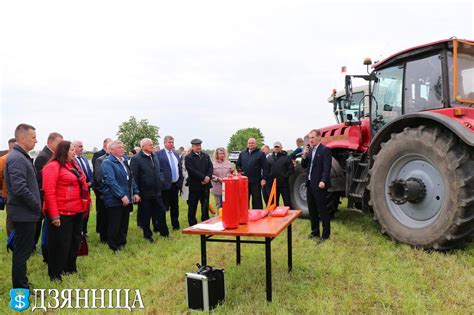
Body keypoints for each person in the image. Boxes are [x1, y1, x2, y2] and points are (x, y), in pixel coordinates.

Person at [42, 141, 90, 281]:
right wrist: (55, 216)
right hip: (62, 212)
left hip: (77, 210)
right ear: (63, 151)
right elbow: (49, 193)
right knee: (60, 244)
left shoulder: (72, 165)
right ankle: (55, 274)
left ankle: (70, 268)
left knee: (74, 241)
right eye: (71, 150)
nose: (74, 152)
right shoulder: (52, 167)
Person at [5, 124, 41, 289]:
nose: (36, 140)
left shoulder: (21, 156)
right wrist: (36, 205)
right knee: (21, 253)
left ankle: (22, 283)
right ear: (22, 138)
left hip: (26, 213)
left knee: (23, 252)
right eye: (33, 137)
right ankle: (20, 288)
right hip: (23, 214)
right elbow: (19, 188)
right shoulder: (17, 158)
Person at [101, 140, 140, 252]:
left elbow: (131, 179)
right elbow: (111, 181)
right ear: (112, 150)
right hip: (115, 199)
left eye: (123, 147)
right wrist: (121, 195)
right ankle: (113, 246)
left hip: (127, 198)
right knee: (115, 224)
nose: (122, 149)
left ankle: (122, 243)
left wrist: (136, 192)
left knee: (124, 223)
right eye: (119, 147)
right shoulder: (108, 162)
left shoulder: (124, 161)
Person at [130, 138, 168, 242]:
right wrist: (136, 192)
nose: (152, 146)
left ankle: (164, 233)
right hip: (144, 192)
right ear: (143, 147)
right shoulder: (136, 159)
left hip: (157, 191)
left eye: (152, 144)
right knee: (146, 215)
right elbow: (134, 177)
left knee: (161, 212)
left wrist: (161, 179)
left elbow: (159, 170)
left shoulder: (154, 156)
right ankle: (148, 236)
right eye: (150, 144)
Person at [34, 132, 63, 261]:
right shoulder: (43, 157)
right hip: (44, 196)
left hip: (50, 196)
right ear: (50, 142)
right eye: (58, 142)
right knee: (44, 224)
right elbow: (43, 181)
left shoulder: (51, 155)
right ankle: (41, 247)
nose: (60, 145)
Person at [301, 129, 332, 242]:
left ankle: (325, 235)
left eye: (313, 137)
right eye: (310, 138)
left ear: (319, 137)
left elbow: (327, 168)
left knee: (322, 210)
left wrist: (323, 180)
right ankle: (315, 232)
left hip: (319, 185)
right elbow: (304, 166)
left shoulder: (325, 150)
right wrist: (304, 155)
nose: (311, 140)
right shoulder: (309, 151)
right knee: (312, 210)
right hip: (309, 184)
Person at [157, 135, 183, 230]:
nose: (171, 144)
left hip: (175, 185)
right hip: (164, 186)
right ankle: (162, 226)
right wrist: (162, 181)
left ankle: (175, 225)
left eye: (172, 142)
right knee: (163, 207)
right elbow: (158, 170)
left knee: (175, 206)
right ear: (164, 143)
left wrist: (180, 181)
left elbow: (179, 168)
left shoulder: (175, 154)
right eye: (169, 142)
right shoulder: (159, 154)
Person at [185, 139, 213, 226]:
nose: (198, 147)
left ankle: (205, 221)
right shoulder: (188, 157)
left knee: (205, 204)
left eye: (199, 145)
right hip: (195, 185)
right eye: (196, 145)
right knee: (193, 205)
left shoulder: (206, 155)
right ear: (192, 147)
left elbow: (210, 167)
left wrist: (208, 177)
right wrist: (203, 178)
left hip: (206, 185)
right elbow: (191, 170)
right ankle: (192, 223)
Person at [236, 138, 269, 209]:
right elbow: (238, 164)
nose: (250, 144)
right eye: (249, 143)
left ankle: (258, 215)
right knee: (244, 199)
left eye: (252, 143)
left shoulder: (261, 154)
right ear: (247, 144)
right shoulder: (242, 154)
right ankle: (244, 214)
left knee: (256, 199)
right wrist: (240, 171)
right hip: (244, 181)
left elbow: (265, 167)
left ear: (256, 144)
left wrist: (264, 179)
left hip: (256, 181)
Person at [93, 140, 112, 242]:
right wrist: (104, 191)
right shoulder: (100, 160)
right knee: (103, 214)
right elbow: (99, 177)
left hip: (114, 193)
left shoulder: (119, 159)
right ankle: (103, 237)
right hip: (104, 192)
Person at [73, 140, 93, 235]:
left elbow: (89, 172)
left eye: (82, 146)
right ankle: (79, 231)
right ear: (74, 147)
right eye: (80, 146)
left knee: (87, 209)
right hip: (78, 190)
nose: (82, 148)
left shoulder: (84, 159)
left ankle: (84, 231)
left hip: (87, 189)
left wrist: (91, 181)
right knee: (80, 211)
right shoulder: (72, 160)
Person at [267, 142, 294, 208]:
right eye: (275, 147)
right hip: (273, 183)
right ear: (273, 148)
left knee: (287, 201)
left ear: (281, 148)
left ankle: (289, 215)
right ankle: (275, 216)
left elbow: (291, 169)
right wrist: (269, 177)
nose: (276, 148)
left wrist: (285, 176)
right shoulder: (269, 158)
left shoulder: (287, 157)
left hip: (283, 183)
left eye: (278, 147)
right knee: (274, 202)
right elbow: (267, 169)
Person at [0, 138, 16, 236]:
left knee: (11, 216)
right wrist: (1, 190)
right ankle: (11, 238)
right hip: (7, 193)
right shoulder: (3, 159)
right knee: (10, 216)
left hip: (10, 192)